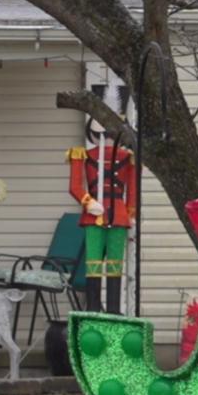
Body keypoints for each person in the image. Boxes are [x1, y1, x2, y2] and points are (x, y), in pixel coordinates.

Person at [67, 89, 137, 313]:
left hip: (118, 214)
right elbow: (75, 186)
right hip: (93, 215)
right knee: (94, 264)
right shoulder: (83, 155)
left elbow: (133, 190)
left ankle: (114, 308)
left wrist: (131, 214)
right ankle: (95, 306)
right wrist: (88, 202)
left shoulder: (128, 158)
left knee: (116, 264)